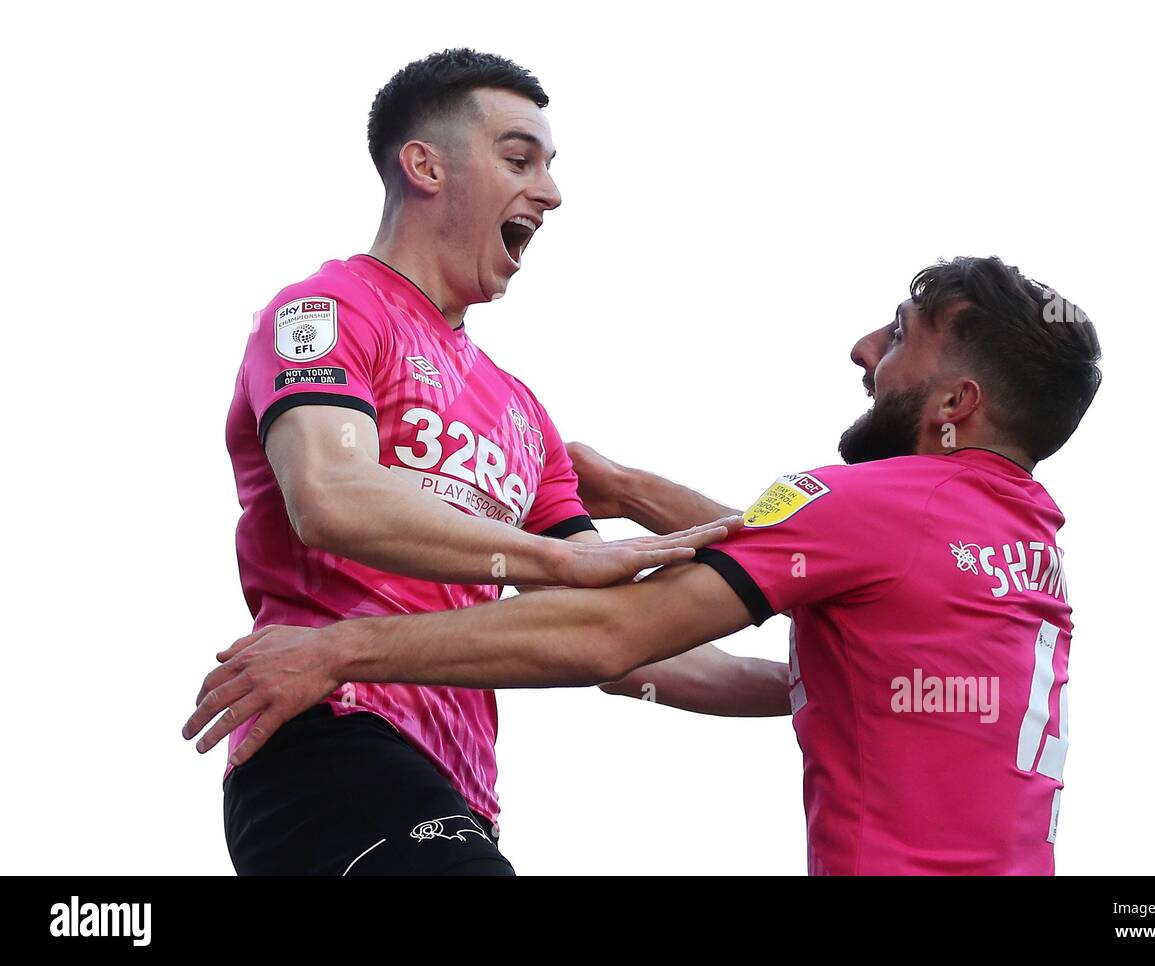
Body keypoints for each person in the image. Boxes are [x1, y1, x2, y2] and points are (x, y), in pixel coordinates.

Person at [192, 256, 1099, 875]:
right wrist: (617, 488)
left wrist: (335, 652)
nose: (864, 351)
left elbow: (612, 634)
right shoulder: (1021, 548)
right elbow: (801, 575)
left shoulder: (877, 508)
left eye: (899, 336)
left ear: (955, 403)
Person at [211, 48, 757, 877]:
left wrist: (810, 688)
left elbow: (622, 640)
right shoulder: (323, 310)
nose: (551, 191)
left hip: (458, 790)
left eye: (549, 166)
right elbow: (331, 494)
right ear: (425, 165)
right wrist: (561, 558)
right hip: (330, 737)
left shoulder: (523, 413)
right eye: (518, 158)